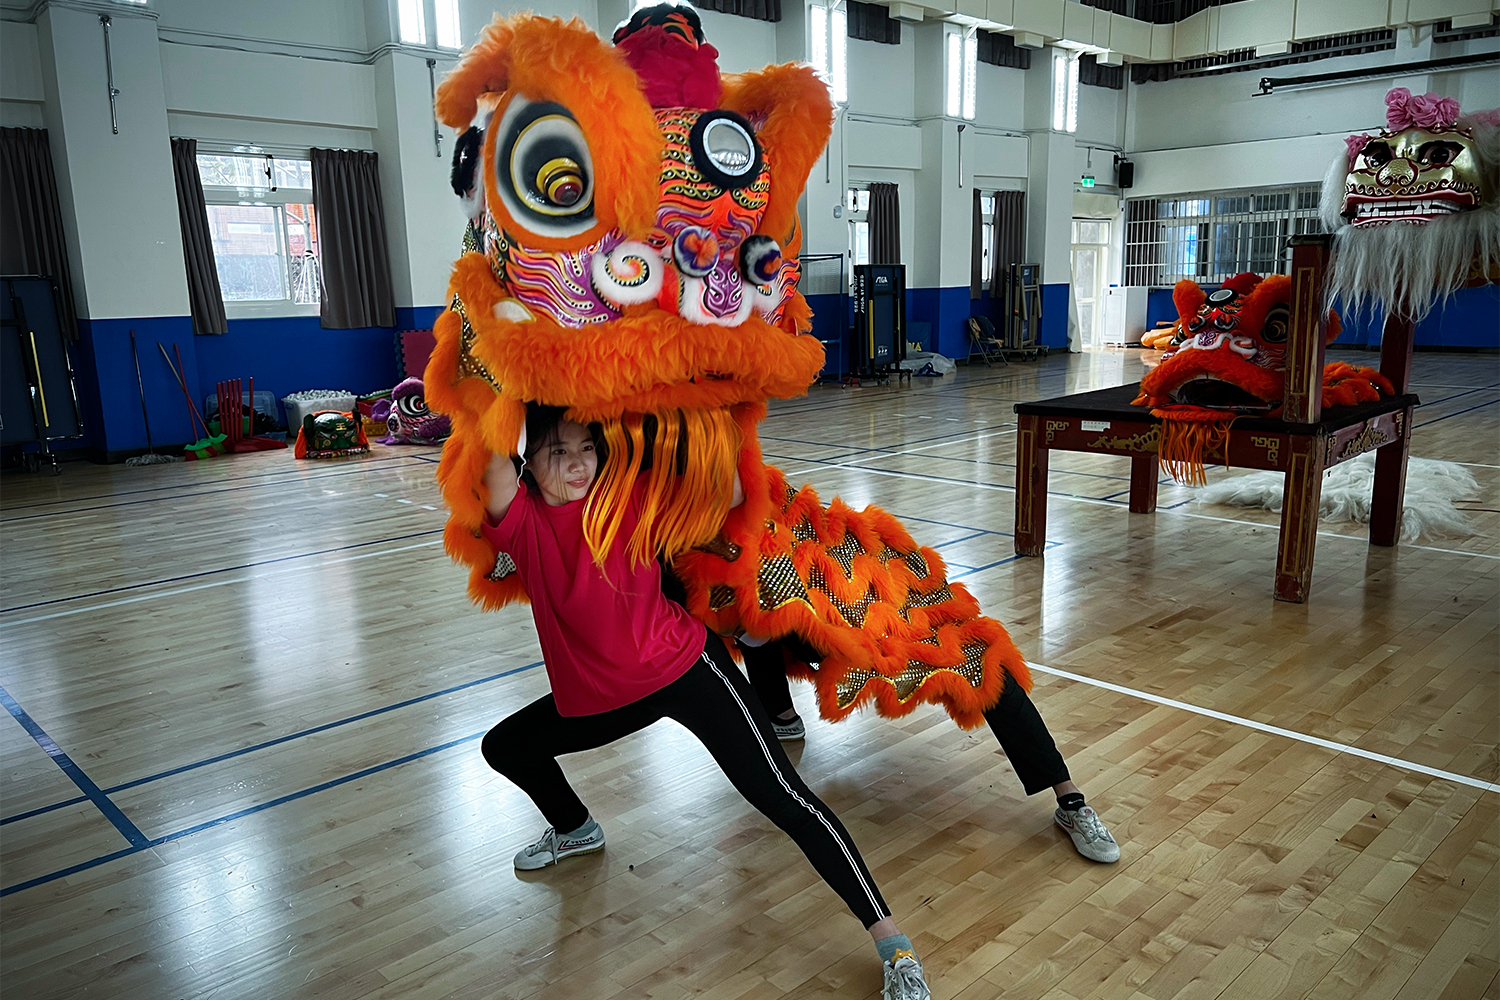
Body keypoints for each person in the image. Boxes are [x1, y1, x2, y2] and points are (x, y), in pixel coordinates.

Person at [476, 406, 933, 1000]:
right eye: (557, 452)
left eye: (586, 447)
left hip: (685, 671)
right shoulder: (521, 524)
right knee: (505, 747)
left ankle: (892, 942)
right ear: (527, 466)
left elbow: (732, 486)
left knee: (785, 798)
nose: (577, 462)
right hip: (598, 696)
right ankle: (577, 829)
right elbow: (486, 439)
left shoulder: (626, 498)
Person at [739, 638, 1120, 864]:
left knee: (986, 669)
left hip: (890, 609)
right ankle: (779, 712)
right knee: (753, 615)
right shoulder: (727, 545)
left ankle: (1070, 802)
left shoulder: (801, 517)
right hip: (828, 625)